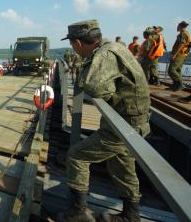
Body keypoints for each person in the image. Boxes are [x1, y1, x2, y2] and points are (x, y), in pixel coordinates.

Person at [57, 20, 150, 222]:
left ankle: (79, 212)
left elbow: (95, 88)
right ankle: (131, 215)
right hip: (131, 120)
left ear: (78, 43)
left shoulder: (104, 55)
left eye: (73, 44)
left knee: (76, 156)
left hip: (124, 124)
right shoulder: (114, 47)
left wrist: (83, 71)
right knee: (122, 164)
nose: (73, 48)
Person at [168, 21, 190, 91]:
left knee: (171, 70)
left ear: (180, 26)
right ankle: (176, 85)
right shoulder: (184, 33)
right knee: (177, 70)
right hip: (182, 54)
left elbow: (181, 45)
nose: (177, 27)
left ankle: (180, 84)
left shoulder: (183, 34)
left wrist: (174, 55)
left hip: (180, 54)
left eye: (178, 26)